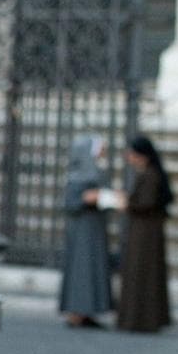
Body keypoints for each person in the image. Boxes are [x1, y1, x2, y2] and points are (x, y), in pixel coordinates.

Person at [116, 135, 174, 333]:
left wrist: (127, 204)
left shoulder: (150, 175)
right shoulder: (148, 173)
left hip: (145, 233)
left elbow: (146, 203)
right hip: (144, 230)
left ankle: (140, 319)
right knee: (140, 274)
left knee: (142, 274)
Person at [60, 134, 117, 328]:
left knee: (93, 269)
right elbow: (70, 203)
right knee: (81, 270)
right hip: (82, 231)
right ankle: (76, 311)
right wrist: (86, 198)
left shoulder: (97, 172)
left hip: (95, 229)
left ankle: (88, 310)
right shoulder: (77, 176)